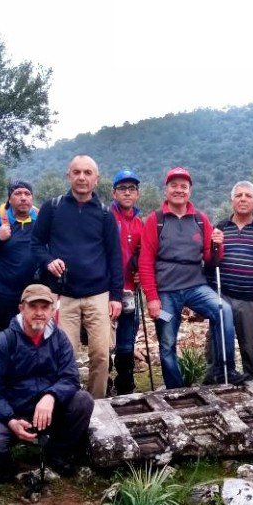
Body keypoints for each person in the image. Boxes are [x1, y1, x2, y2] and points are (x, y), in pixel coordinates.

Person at [138, 167, 247, 388]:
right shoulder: (155, 220)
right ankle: (175, 389)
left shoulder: (200, 219)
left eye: (183, 186)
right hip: (166, 290)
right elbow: (145, 261)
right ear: (166, 189)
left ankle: (224, 369)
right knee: (167, 341)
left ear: (190, 191)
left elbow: (210, 258)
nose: (179, 190)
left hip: (195, 286)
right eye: (174, 185)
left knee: (222, 310)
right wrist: (151, 297)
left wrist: (218, 245)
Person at [0, 284, 95, 480]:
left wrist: (51, 396)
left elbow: (70, 377)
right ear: (22, 308)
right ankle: (7, 467)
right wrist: (10, 420)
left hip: (48, 413)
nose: (39, 313)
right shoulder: (1, 343)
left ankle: (56, 453)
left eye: (45, 307)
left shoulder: (59, 338)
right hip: (15, 413)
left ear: (52, 309)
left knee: (83, 401)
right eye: (33, 306)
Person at [31, 155, 123, 399]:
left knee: (102, 354)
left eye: (87, 173)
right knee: (65, 354)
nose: (82, 177)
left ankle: (97, 404)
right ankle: (68, 403)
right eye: (77, 172)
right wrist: (48, 261)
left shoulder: (105, 215)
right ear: (68, 175)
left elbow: (115, 257)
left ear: (96, 179)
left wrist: (115, 297)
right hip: (63, 295)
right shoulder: (53, 207)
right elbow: (36, 243)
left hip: (98, 294)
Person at [205, 181, 253, 382]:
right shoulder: (219, 228)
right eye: (238, 195)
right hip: (223, 296)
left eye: (248, 195)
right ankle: (216, 385)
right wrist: (209, 295)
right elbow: (210, 264)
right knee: (215, 345)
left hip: (251, 301)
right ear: (231, 200)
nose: (243, 199)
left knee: (251, 350)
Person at [0, 180, 39, 331]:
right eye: (18, 194)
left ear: (32, 199)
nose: (23, 197)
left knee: (34, 334)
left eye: (27, 194)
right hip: (4, 294)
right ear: (10, 199)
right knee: (7, 335)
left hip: (33, 292)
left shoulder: (40, 221)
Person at [109, 169, 145, 395]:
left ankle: (125, 383)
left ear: (137, 194)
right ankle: (103, 381)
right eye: (122, 188)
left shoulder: (140, 223)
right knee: (103, 343)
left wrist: (142, 271)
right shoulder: (105, 217)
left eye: (132, 188)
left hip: (131, 291)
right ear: (114, 193)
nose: (127, 192)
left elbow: (145, 254)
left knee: (126, 341)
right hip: (106, 291)